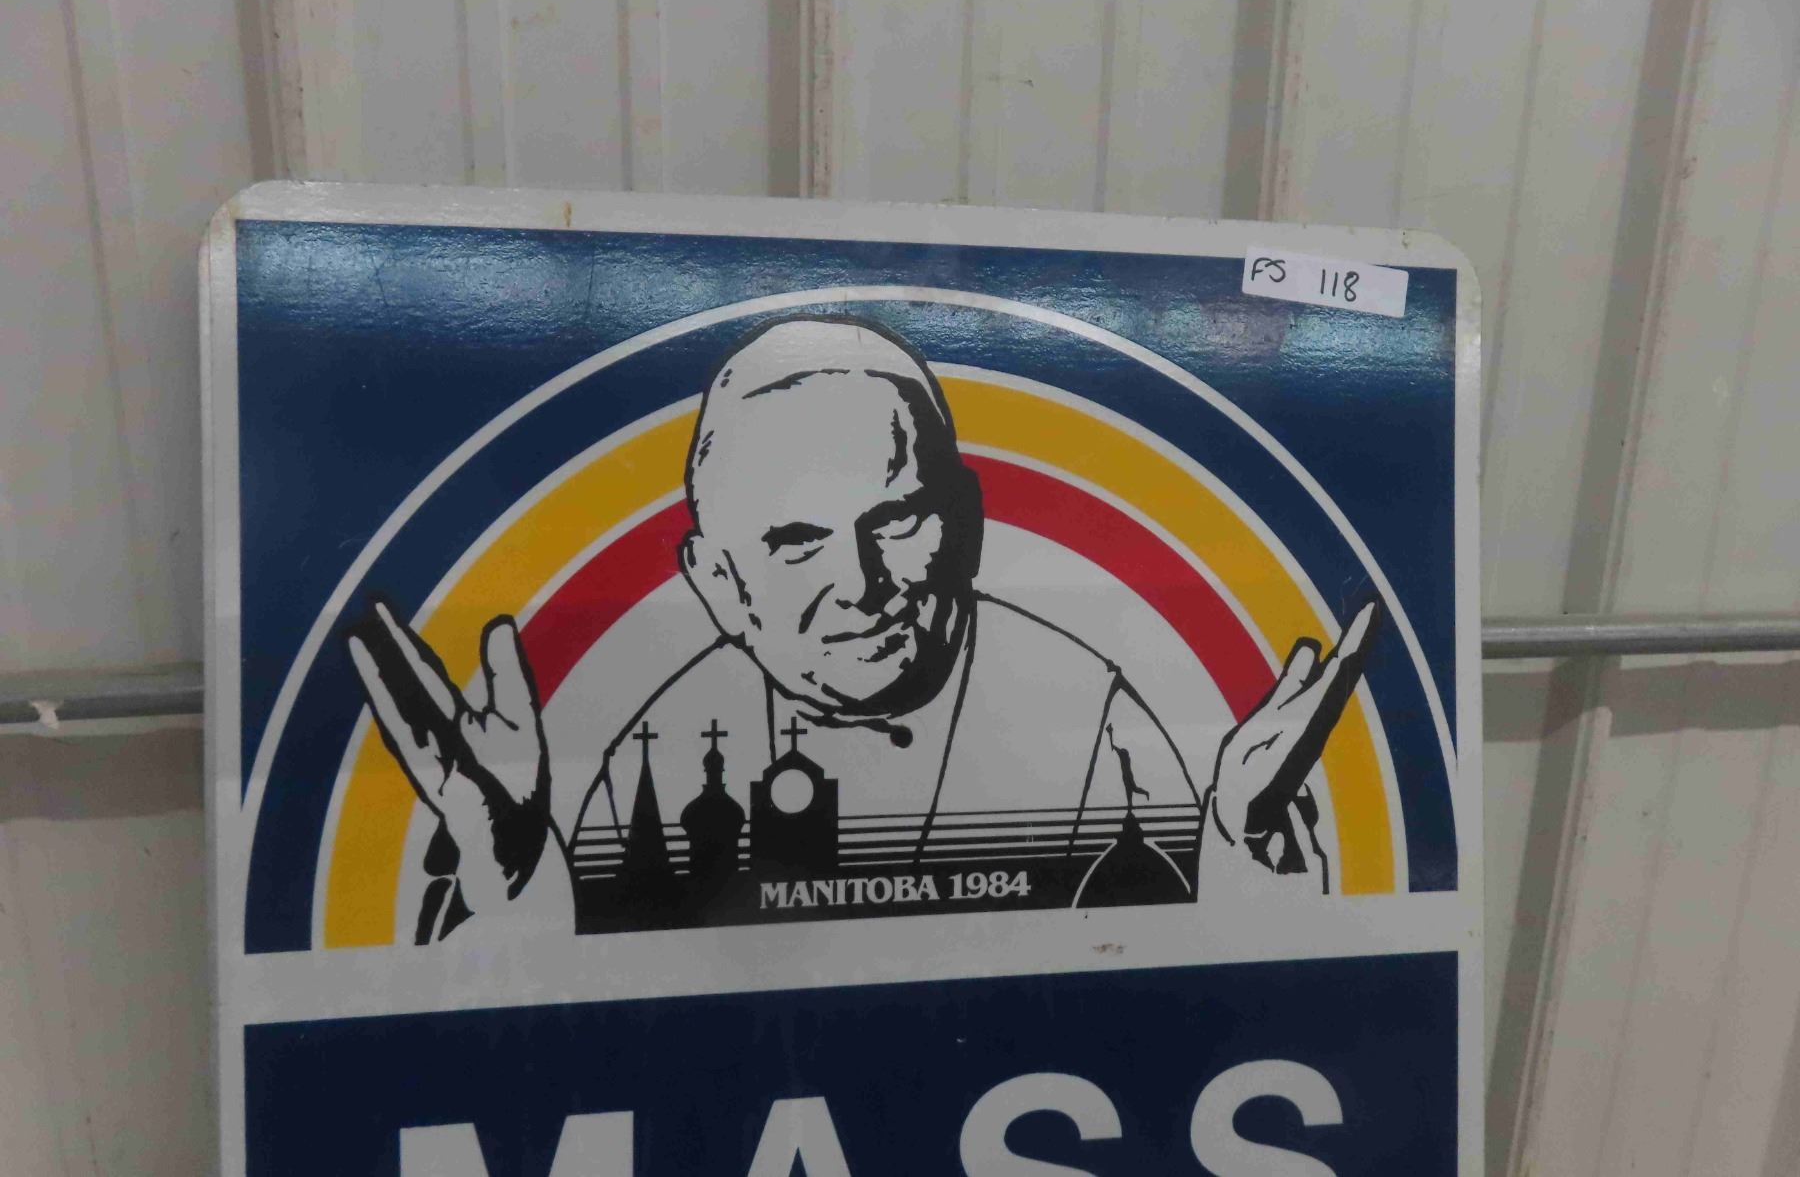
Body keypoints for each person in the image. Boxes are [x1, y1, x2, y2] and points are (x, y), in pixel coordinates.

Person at [347, 317, 1377, 940]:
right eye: (797, 541)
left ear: (965, 525)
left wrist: (1239, 841)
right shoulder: (657, 743)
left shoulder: (1097, 718)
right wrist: (513, 876)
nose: (862, 584)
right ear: (718, 584)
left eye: (896, 521)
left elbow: (1214, 1003)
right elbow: (554, 1043)